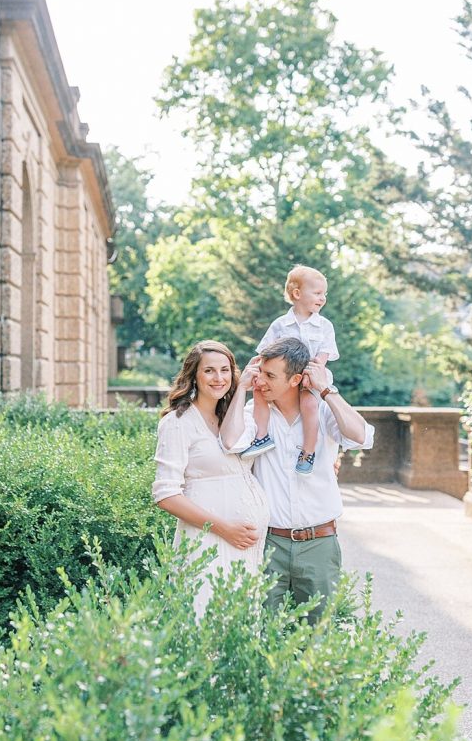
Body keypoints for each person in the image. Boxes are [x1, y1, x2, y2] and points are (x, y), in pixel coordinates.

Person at [220, 336, 374, 624]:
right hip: (268, 544)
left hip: (319, 544)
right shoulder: (254, 415)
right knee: (263, 635)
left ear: (295, 380)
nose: (260, 381)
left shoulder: (324, 412)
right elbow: (229, 442)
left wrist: (327, 390)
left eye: (269, 375)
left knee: (318, 640)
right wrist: (242, 390)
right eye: (260, 372)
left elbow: (362, 437)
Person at [152, 340, 270, 619]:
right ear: (193, 375)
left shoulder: (234, 417)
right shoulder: (178, 422)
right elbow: (166, 495)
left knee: (239, 626)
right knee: (203, 619)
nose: (219, 378)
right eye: (209, 371)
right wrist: (225, 529)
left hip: (246, 546)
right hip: (207, 539)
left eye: (225, 370)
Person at [240, 264, 338, 474]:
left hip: (311, 375)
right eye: (318, 293)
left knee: (310, 405)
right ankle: (261, 436)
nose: (323, 298)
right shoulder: (281, 325)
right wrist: (255, 371)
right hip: (282, 376)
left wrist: (311, 372)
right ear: (297, 294)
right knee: (258, 391)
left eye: (324, 294)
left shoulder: (324, 326)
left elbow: (324, 354)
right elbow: (266, 351)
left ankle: (308, 451)